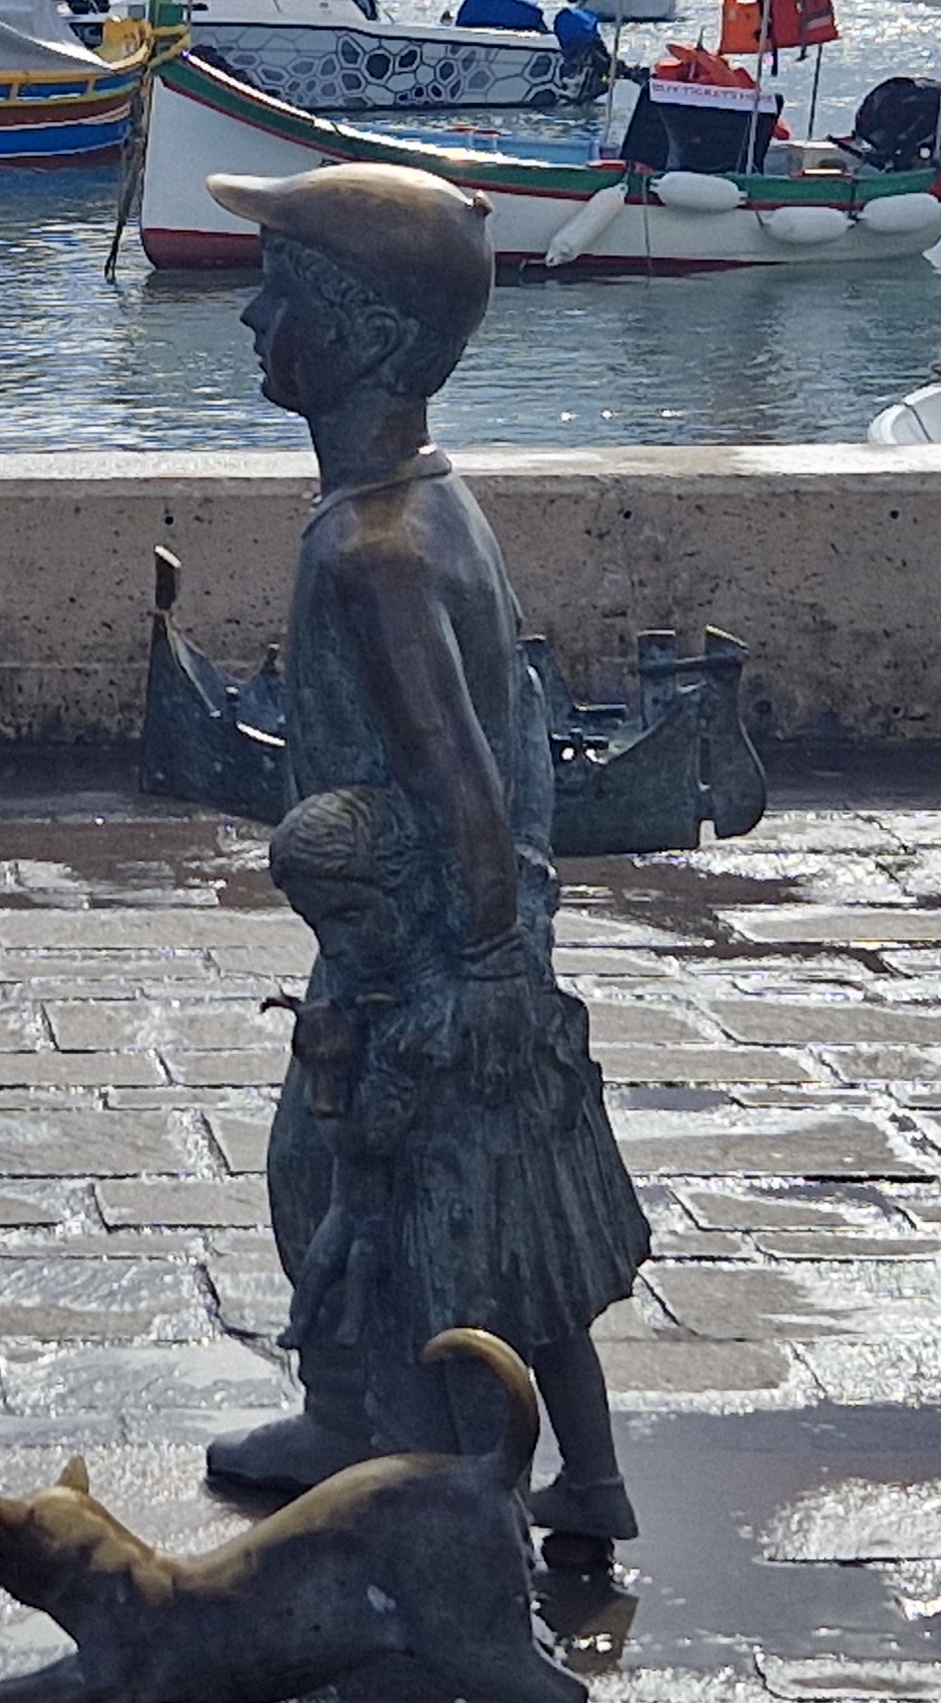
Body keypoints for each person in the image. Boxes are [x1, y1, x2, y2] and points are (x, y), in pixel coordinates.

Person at [198, 162, 648, 1550]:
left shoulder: (373, 550)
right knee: (504, 1222)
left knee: (354, 1187)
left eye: (282, 292)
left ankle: (406, 1457)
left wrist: (483, 964)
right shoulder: (430, 500)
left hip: (418, 945)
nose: (254, 318)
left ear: (364, 337)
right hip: (448, 928)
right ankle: (562, 1469)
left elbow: (457, 771)